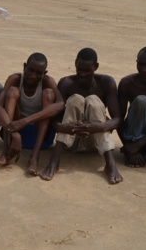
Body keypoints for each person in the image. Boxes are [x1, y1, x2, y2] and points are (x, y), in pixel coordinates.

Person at [40, 48, 122, 183]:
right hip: (71, 141)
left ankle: (110, 164)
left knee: (93, 100)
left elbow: (118, 119)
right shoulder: (66, 83)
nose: (82, 74)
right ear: (75, 64)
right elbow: (54, 119)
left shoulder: (106, 83)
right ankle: (55, 161)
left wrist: (100, 126)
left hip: (95, 142)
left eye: (87, 71)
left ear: (96, 67)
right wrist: (63, 127)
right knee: (76, 99)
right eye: (79, 69)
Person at [0, 53, 64, 175]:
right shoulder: (14, 79)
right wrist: (14, 133)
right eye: (30, 70)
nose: (33, 76)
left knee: (49, 94)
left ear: (44, 73)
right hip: (12, 132)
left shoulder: (48, 82)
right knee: (12, 91)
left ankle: (35, 156)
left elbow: (60, 104)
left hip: (39, 135)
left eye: (38, 73)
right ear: (24, 66)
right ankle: (6, 151)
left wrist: (25, 121)